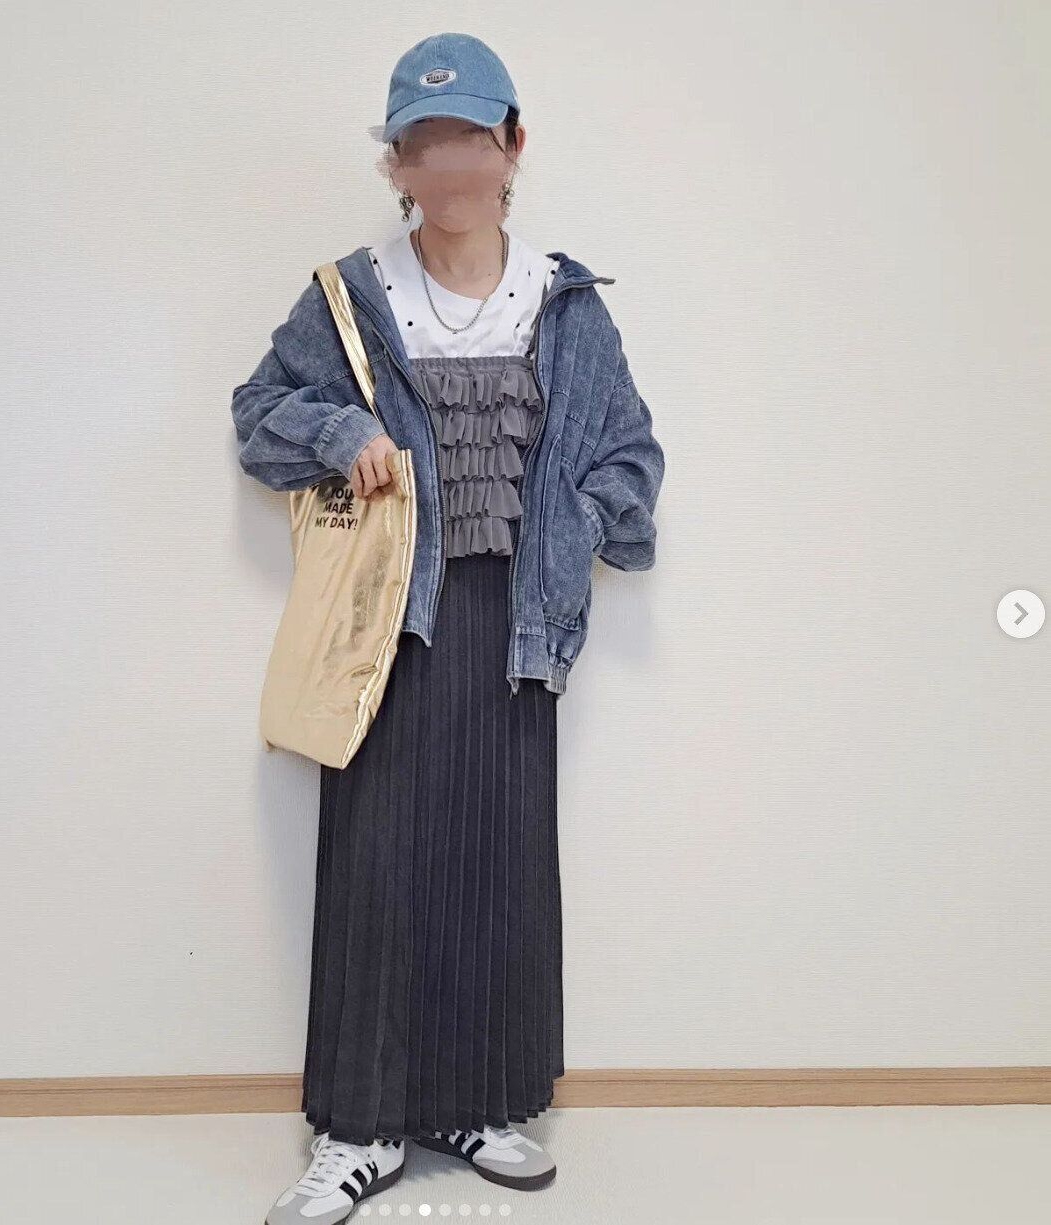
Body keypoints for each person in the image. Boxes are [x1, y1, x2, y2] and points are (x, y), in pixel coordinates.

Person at [232, 33, 665, 1225]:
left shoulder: (564, 304)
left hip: (516, 621)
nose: (450, 165)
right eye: (423, 144)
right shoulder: (352, 296)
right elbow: (260, 411)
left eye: (470, 138)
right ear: (396, 166)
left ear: (512, 146)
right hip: (389, 616)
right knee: (375, 862)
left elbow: (629, 452)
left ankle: (475, 1102)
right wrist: (340, 434)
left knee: (498, 858)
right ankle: (360, 1127)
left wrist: (575, 521)